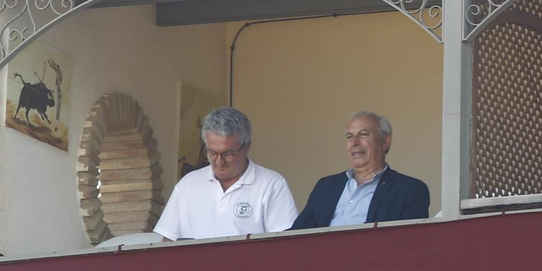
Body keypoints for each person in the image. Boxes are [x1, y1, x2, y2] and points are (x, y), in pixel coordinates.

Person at [155, 107, 297, 239]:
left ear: (247, 146)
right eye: (212, 152)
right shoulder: (187, 184)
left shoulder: (272, 184)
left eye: (228, 153)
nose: (219, 161)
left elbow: (283, 245)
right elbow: (168, 239)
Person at [290, 111, 431, 230]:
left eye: (363, 134)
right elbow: (295, 236)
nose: (354, 142)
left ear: (385, 142)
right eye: (349, 137)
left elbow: (411, 243)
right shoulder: (326, 187)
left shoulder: (410, 190)